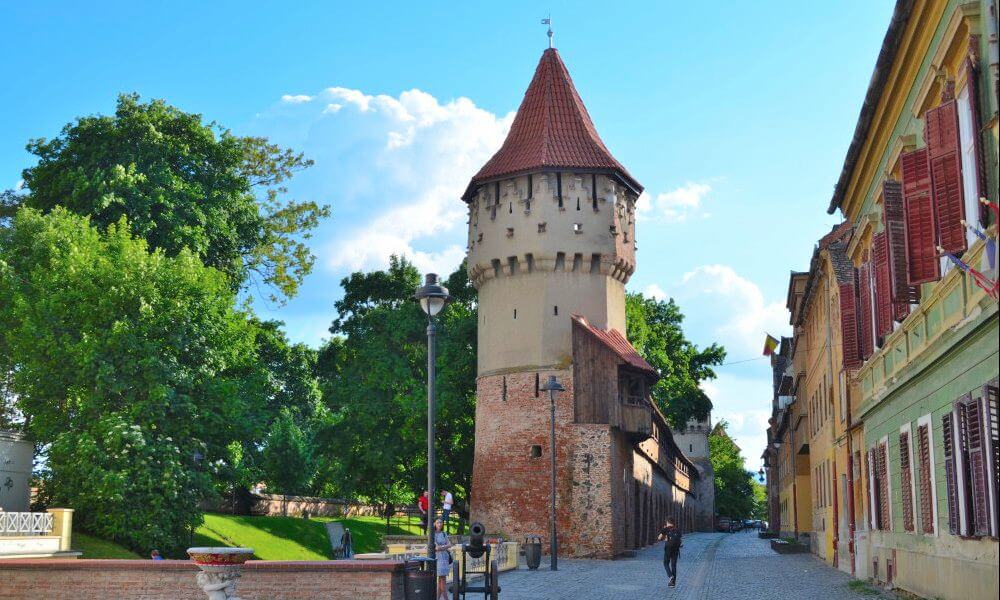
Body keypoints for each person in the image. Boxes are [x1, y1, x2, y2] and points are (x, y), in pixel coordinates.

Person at [657, 518, 682, 588]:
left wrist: (664, 538)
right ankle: (672, 583)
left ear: (667, 522)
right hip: (676, 549)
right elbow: (680, 541)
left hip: (668, 548)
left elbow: (659, 538)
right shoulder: (677, 530)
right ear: (673, 523)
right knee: (673, 565)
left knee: (665, 563)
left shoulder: (666, 529)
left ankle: (670, 576)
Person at [433, 518, 451, 600]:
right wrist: (444, 546)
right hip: (438, 558)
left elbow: (449, 544)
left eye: (441, 522)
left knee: (441, 580)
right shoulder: (433, 535)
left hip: (445, 557)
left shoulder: (444, 533)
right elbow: (436, 548)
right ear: (434, 524)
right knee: (442, 579)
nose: (439, 524)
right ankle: (446, 598)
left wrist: (442, 547)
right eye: (437, 523)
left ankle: (437, 598)